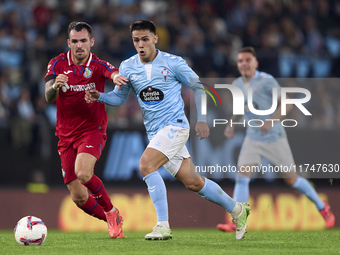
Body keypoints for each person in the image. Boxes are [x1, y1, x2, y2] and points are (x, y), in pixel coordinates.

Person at [85, 19, 251, 240]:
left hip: (176, 127)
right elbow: (119, 98)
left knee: (145, 164)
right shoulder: (127, 66)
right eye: (136, 40)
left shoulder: (174, 63)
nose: (141, 44)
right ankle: (237, 209)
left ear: (155, 38)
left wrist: (201, 119)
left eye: (145, 39)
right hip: (156, 133)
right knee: (193, 181)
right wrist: (101, 97)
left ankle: (162, 225)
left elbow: (198, 87)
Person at [216, 46, 335, 232]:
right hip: (252, 139)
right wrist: (232, 124)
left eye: (248, 60)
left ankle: (323, 208)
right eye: (241, 61)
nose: (244, 64)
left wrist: (270, 122)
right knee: (242, 178)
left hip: (273, 138)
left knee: (292, 180)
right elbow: (241, 108)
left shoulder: (266, 81)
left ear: (255, 63)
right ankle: (237, 221)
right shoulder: (238, 84)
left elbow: (287, 103)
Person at [44, 21, 125, 238]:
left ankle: (110, 211)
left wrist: (117, 78)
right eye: (75, 41)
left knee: (83, 172)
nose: (79, 45)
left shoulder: (98, 64)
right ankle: (112, 217)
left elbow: (112, 73)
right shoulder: (57, 64)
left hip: (92, 129)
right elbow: (48, 97)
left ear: (91, 42)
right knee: (79, 197)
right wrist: (55, 86)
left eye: (83, 41)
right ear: (68, 42)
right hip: (65, 135)